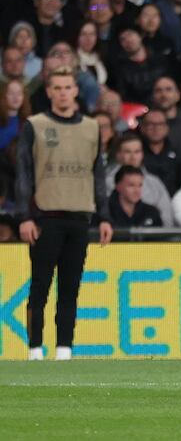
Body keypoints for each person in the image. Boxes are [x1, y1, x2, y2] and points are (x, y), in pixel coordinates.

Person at [15, 66, 113, 361]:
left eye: (67, 87)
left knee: (70, 288)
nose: (62, 93)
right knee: (40, 287)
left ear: (75, 90)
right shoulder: (35, 125)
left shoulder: (92, 127)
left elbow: (98, 174)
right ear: (48, 92)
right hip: (45, 217)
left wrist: (104, 216)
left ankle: (64, 350)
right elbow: (24, 174)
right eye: (56, 88)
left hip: (79, 217)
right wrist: (24, 216)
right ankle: (34, 349)